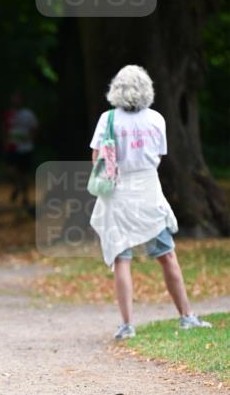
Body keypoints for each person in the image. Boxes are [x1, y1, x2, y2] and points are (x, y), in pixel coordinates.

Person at [89, 64, 212, 340]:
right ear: (147, 89)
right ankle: (186, 315)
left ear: (116, 89)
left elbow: (97, 158)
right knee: (167, 255)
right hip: (148, 192)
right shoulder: (157, 119)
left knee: (122, 258)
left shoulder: (107, 119)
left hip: (117, 194)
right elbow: (160, 154)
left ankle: (127, 324)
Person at [1, 91, 38, 208]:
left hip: (25, 148)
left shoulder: (28, 114)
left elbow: (35, 129)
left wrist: (30, 139)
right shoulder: (8, 114)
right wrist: (5, 142)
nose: (15, 101)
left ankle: (25, 198)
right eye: (14, 98)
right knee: (10, 171)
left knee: (24, 174)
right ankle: (17, 186)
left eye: (18, 99)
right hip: (12, 147)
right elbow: (4, 129)